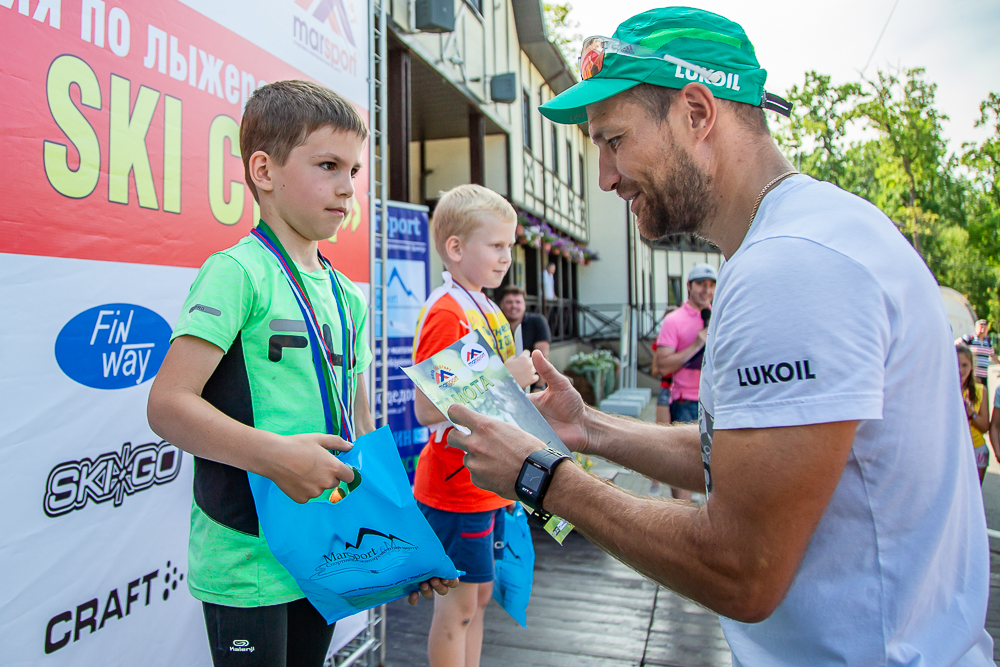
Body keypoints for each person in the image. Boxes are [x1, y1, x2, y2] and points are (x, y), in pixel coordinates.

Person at [443, 8, 993, 666]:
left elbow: (742, 565)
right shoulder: (793, 242)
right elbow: (741, 453)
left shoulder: (792, 264)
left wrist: (541, 476)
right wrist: (587, 426)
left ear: (698, 112)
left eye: (614, 140)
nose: (605, 177)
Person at [146, 81, 455, 667]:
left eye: (354, 171)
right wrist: (279, 457)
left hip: (330, 548)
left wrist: (403, 542)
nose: (347, 187)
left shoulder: (348, 296)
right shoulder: (237, 273)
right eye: (328, 165)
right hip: (248, 557)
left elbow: (361, 427)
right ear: (264, 169)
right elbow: (167, 405)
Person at [410, 184, 538, 667]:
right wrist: (511, 378)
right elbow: (426, 409)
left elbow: (500, 398)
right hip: (455, 486)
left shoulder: (484, 306)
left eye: (510, 245)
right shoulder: (448, 311)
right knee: (458, 607)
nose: (507, 257)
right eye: (497, 245)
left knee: (478, 601)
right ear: (456, 247)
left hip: (487, 482)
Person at [655, 264, 716, 425]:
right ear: (689, 285)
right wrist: (696, 345)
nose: (707, 290)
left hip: (718, 399)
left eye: (711, 285)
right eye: (701, 284)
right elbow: (662, 367)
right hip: (686, 403)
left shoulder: (720, 317)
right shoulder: (673, 320)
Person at [958, 344, 991, 483]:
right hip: (953, 450)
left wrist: (971, 413)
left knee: (973, 497)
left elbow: (985, 427)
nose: (960, 370)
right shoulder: (943, 390)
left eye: (965, 365)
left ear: (971, 367)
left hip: (976, 449)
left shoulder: (980, 390)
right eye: (956, 364)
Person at [961, 319, 999, 386]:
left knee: (983, 394)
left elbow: (992, 356)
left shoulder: (988, 342)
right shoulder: (969, 338)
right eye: (980, 327)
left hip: (983, 376)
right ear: (976, 328)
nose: (982, 330)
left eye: (985, 328)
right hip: (972, 375)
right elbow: (957, 345)